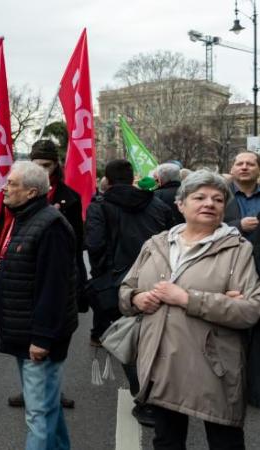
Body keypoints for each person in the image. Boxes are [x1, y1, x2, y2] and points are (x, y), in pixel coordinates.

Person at [119, 170, 260, 449]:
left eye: (218, 199)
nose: (210, 203)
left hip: (213, 367)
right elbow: (125, 289)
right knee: (167, 441)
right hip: (161, 362)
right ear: (180, 204)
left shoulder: (237, 249)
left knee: (225, 443)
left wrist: (187, 298)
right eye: (200, 197)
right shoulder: (156, 244)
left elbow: (249, 310)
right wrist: (136, 298)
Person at [0, 161, 78, 449]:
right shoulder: (25, 218)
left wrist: (42, 338)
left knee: (38, 414)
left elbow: (54, 288)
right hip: (26, 331)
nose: (5, 188)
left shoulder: (50, 226)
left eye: (12, 184)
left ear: (31, 193)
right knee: (47, 406)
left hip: (39, 338)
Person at [85, 159, 173, 427]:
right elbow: (170, 237)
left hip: (116, 283)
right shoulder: (157, 203)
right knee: (156, 338)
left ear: (108, 181)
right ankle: (162, 395)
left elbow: (95, 244)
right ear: (132, 178)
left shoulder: (100, 206)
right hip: (156, 279)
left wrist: (103, 272)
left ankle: (145, 398)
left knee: (126, 339)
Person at [8, 139, 85, 410]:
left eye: (47, 165)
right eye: (36, 165)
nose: (42, 170)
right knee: (29, 348)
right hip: (26, 276)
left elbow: (77, 242)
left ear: (56, 166)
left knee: (49, 341)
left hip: (56, 269)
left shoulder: (69, 198)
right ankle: (31, 389)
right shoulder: (17, 194)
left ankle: (51, 392)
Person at [224, 151, 260, 236]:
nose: (244, 167)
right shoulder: (219, 194)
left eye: (250, 164)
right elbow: (204, 227)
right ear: (231, 170)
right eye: (239, 164)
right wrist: (238, 226)